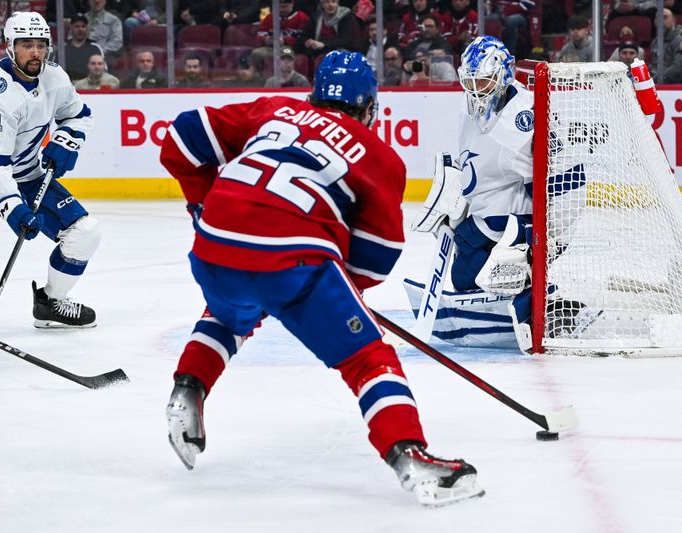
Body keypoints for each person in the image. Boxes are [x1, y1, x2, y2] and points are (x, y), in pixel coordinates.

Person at [159, 50, 484, 507]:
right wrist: (341, 294)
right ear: (370, 107)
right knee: (366, 358)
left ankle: (186, 390)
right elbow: (376, 258)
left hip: (213, 246)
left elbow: (181, 137)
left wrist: (201, 205)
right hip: (294, 259)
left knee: (230, 313)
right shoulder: (379, 156)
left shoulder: (273, 109)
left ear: (313, 95)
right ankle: (410, 455)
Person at [0, 12, 99, 328]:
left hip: (28, 174)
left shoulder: (55, 78)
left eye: (41, 44)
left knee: (85, 233)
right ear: (10, 47)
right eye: (26, 44)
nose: (35, 52)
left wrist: (69, 137)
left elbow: (79, 113)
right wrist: (13, 209)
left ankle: (51, 303)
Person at [410, 35, 537, 349]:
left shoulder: (524, 119)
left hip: (508, 223)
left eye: (482, 82)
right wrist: (454, 197)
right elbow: (470, 159)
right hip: (480, 215)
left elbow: (549, 186)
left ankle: (531, 294)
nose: (474, 90)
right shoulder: (470, 109)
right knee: (464, 279)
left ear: (503, 76)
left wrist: (533, 235)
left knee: (482, 278)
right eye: (469, 82)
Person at [63, 14, 104, 81]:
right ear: (71, 27)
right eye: (77, 26)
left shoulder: (95, 48)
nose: (80, 29)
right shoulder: (63, 48)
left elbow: (102, 71)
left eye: (83, 26)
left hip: (90, 86)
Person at [85, 0, 124, 65]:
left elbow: (117, 42)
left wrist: (99, 51)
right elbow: (71, 38)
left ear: (105, 1)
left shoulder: (114, 20)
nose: (96, 1)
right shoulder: (81, 19)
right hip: (83, 53)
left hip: (105, 56)